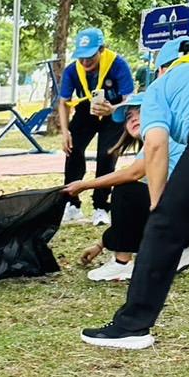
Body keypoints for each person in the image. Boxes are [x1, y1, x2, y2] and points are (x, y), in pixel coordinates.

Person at [82, 37, 189, 349]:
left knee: (164, 225)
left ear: (161, 69)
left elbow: (155, 145)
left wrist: (159, 209)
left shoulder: (161, 87)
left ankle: (132, 327)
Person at [65, 92, 189, 283]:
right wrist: (100, 245)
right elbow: (133, 217)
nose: (132, 118)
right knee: (136, 196)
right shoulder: (155, 141)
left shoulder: (165, 137)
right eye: (128, 116)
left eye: (138, 112)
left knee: (127, 191)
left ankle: (122, 264)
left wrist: (84, 185)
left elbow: (133, 174)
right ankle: (185, 248)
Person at [58, 27, 135, 227]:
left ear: (101, 49)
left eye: (90, 57)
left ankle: (101, 206)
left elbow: (129, 98)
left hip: (113, 110)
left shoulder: (118, 64)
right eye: (81, 57)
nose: (85, 62)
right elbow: (63, 101)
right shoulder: (72, 70)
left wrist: (113, 109)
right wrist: (65, 131)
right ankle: (72, 204)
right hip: (86, 109)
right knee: (72, 149)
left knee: (107, 155)